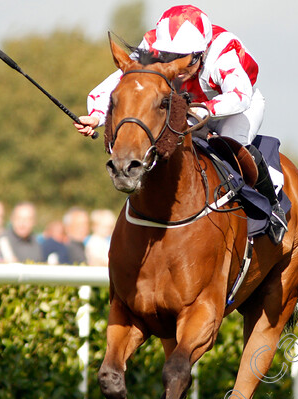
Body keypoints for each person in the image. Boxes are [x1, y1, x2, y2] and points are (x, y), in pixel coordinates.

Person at [75, 4, 287, 244]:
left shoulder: (223, 50)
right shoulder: (153, 47)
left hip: (236, 109)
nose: (176, 66)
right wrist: (96, 116)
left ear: (201, 52)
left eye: (184, 59)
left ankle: (272, 205)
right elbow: (123, 82)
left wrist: (200, 110)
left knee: (232, 146)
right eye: (169, 57)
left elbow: (239, 96)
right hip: (185, 106)